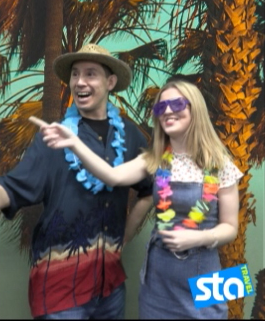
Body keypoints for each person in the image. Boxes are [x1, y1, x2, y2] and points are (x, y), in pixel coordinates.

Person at [29, 78, 244, 320]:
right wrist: (74, 143)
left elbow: (230, 229)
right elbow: (112, 175)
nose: (168, 111)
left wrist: (199, 237)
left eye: (177, 104)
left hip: (205, 275)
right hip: (158, 278)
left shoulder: (220, 164)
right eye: (161, 108)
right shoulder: (154, 160)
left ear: (195, 108)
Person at [0, 43, 153, 320]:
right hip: (60, 289)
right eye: (75, 74)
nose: (80, 82)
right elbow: (10, 190)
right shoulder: (53, 138)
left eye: (91, 74)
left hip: (110, 285)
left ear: (110, 82)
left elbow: (149, 190)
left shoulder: (131, 136)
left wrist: (126, 235)